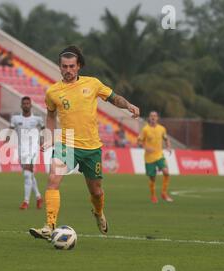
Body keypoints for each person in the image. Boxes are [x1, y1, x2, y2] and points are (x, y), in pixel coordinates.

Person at [29, 46, 140, 240]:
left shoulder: (93, 83)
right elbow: (50, 116)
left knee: (96, 192)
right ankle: (49, 225)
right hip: (66, 143)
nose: (68, 70)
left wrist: (128, 105)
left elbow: (114, 98)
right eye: (64, 66)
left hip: (91, 147)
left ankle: (98, 213)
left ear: (78, 66)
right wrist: (48, 136)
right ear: (60, 67)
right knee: (53, 180)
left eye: (72, 66)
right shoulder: (53, 92)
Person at [6, 96, 45, 210]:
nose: (26, 105)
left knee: (27, 175)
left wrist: (42, 139)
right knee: (30, 175)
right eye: (24, 103)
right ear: (21, 105)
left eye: (28, 103)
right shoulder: (15, 119)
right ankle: (38, 196)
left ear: (31, 105)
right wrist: (7, 136)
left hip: (33, 149)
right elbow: (10, 129)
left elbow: (43, 128)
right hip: (21, 150)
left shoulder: (37, 119)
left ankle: (26, 202)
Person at [137, 111, 173, 203]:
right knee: (152, 178)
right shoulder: (145, 129)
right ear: (149, 118)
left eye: (155, 116)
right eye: (151, 116)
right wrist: (145, 147)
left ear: (157, 118)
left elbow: (166, 139)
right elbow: (139, 142)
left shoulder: (162, 129)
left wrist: (168, 146)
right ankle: (153, 196)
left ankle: (164, 193)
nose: (153, 117)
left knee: (166, 172)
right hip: (149, 158)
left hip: (159, 155)